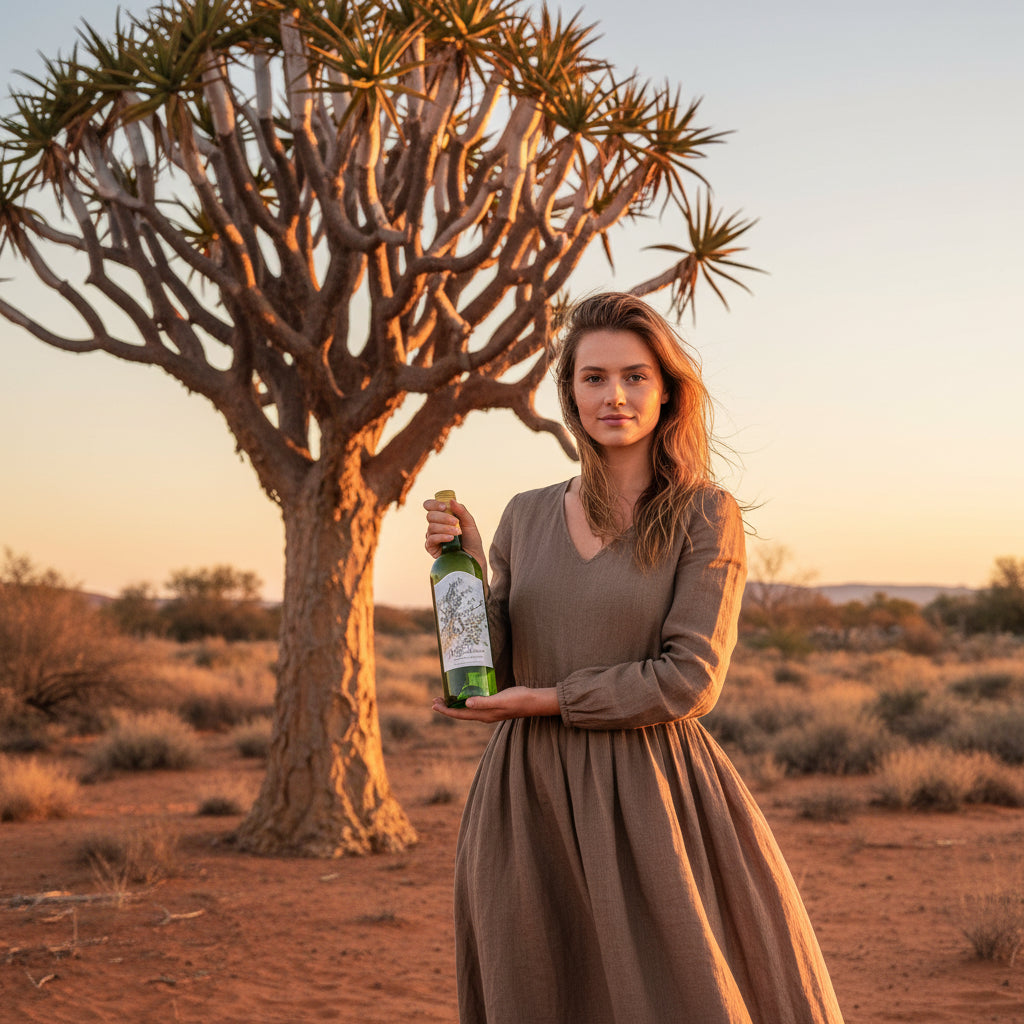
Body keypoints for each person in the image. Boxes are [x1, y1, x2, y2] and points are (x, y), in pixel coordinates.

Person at [423, 292, 844, 1024]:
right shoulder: (524, 515)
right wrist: (458, 565)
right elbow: (484, 664)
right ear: (570, 393)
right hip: (528, 797)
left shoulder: (705, 514)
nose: (613, 395)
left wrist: (551, 701)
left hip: (653, 794)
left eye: (634, 376)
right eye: (593, 378)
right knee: (540, 990)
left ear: (666, 390)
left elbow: (689, 679)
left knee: (681, 994)